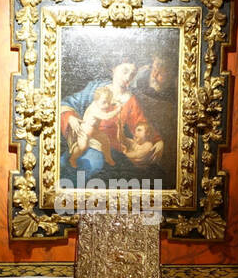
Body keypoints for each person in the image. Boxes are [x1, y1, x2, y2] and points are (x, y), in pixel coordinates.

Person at [59, 53, 163, 184]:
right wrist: (70, 118)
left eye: (132, 74)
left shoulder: (131, 100)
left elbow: (141, 124)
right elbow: (69, 103)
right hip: (88, 137)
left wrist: (158, 141)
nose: (128, 77)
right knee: (76, 165)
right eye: (125, 71)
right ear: (113, 68)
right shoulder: (96, 88)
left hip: (113, 147)